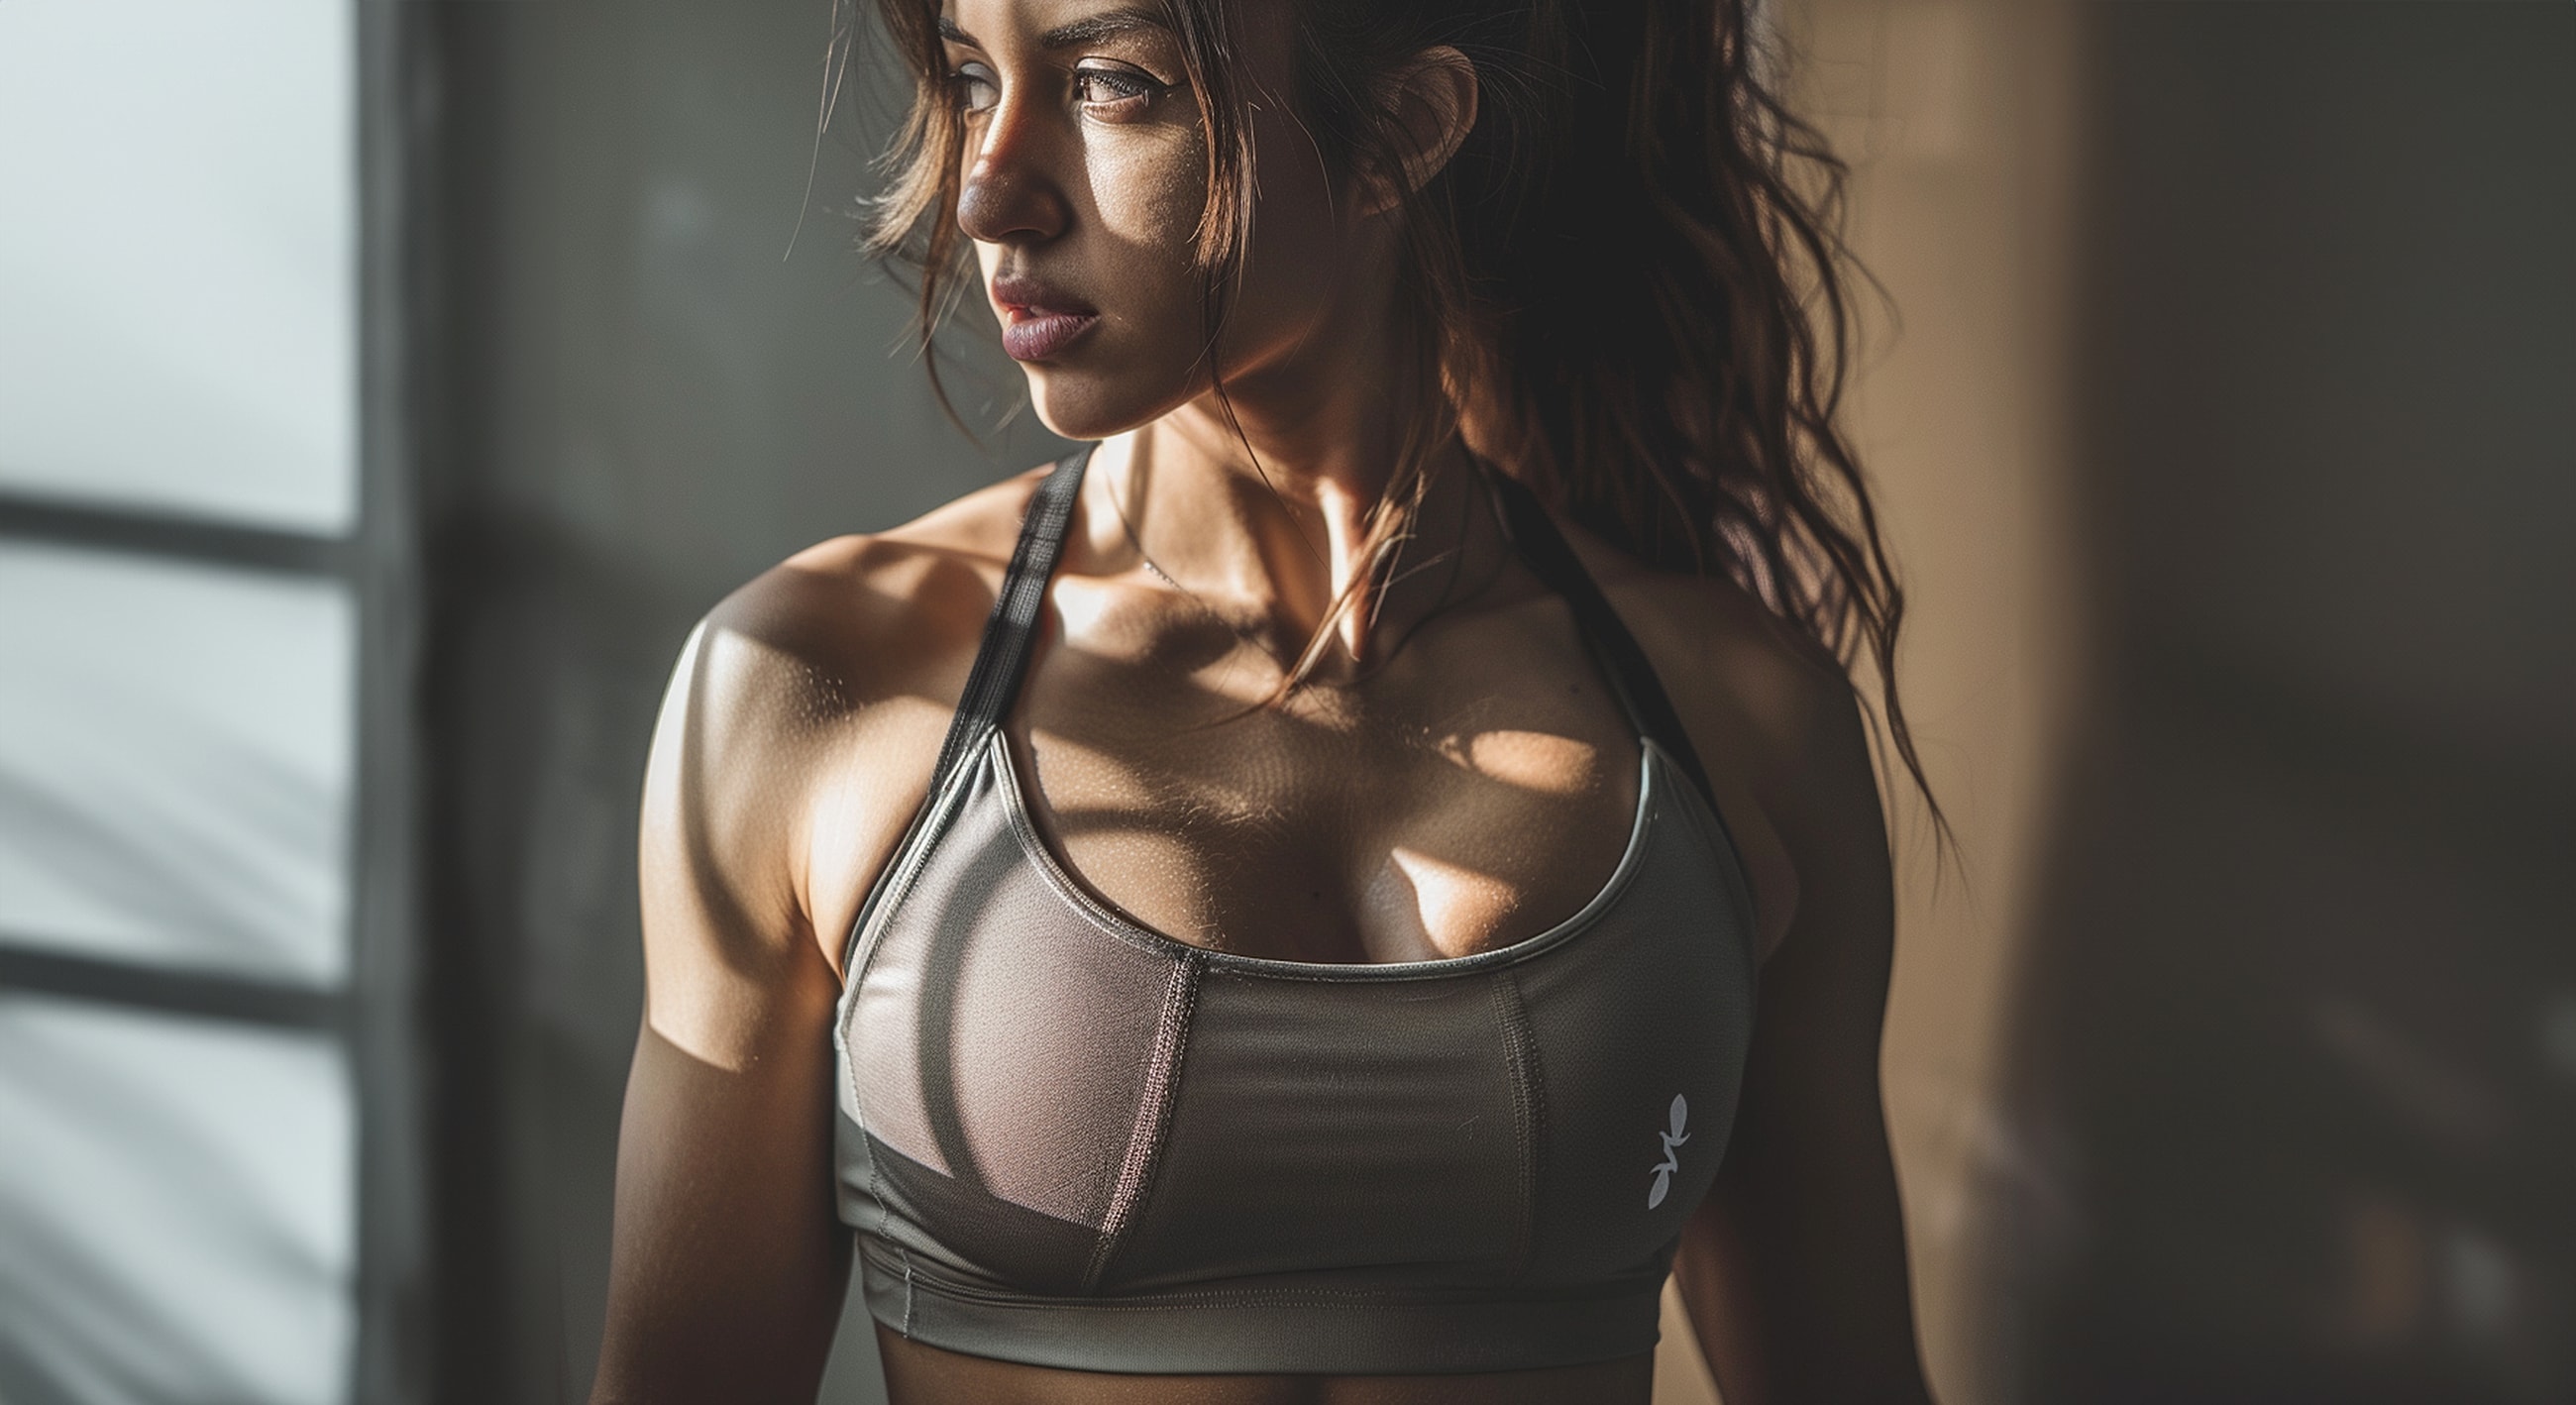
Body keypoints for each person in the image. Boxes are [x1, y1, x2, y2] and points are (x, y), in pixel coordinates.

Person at [593, 0, 1942, 1400]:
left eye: (1112, 85)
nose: (989, 186)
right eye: (971, 74)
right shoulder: (812, 696)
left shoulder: (1742, 727)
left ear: (1404, 132)